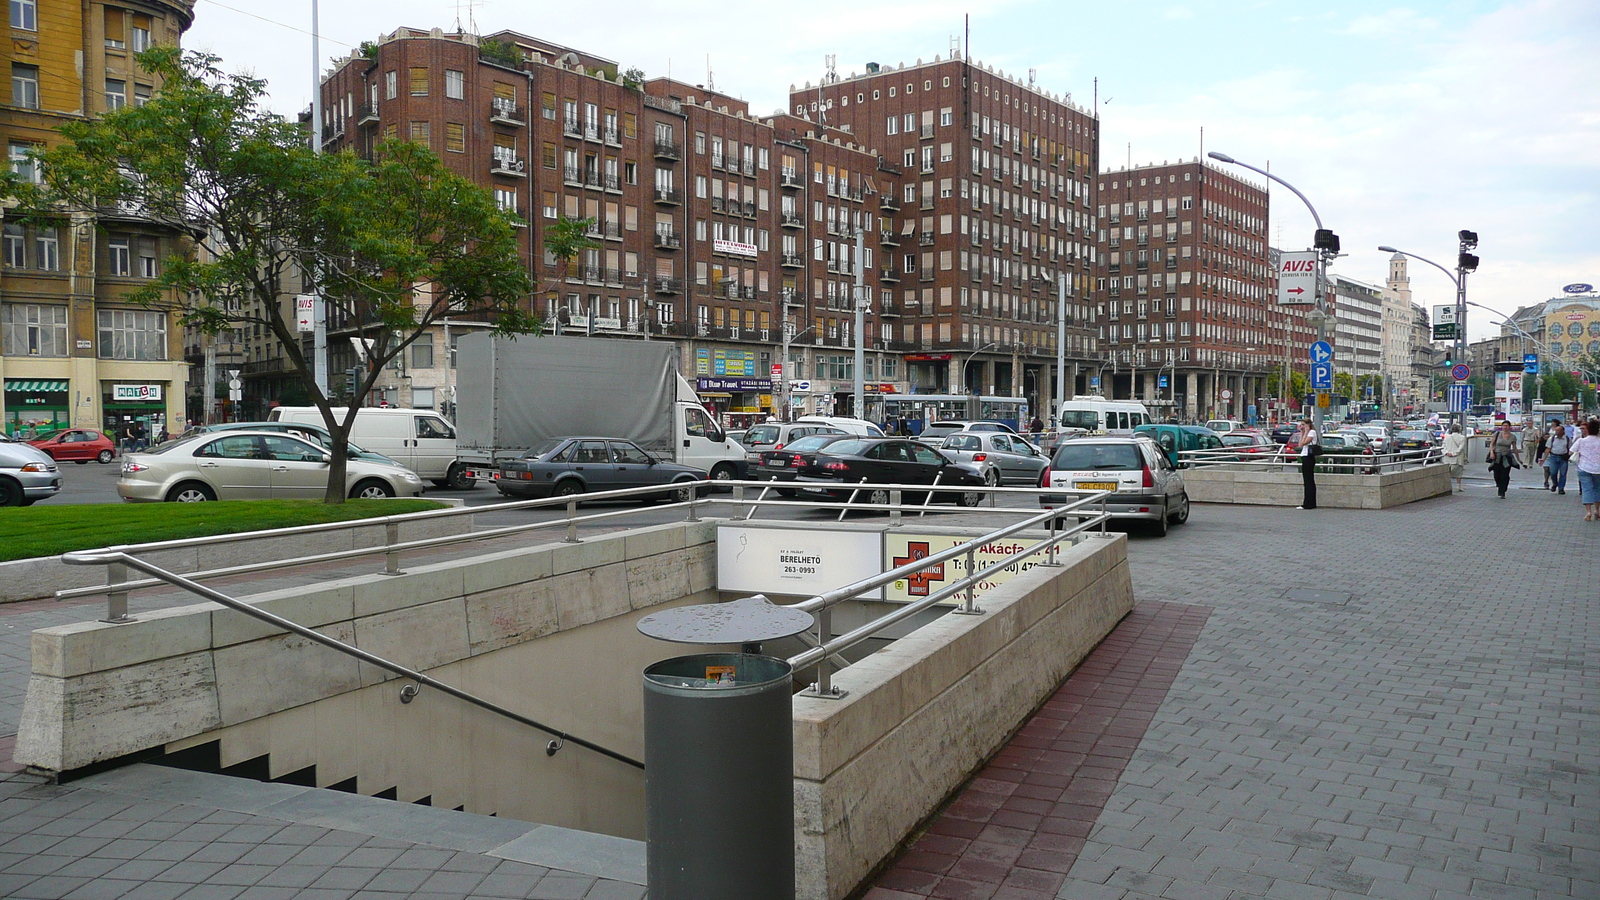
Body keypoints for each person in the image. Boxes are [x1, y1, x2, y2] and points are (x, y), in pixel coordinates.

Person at [1571, 420, 1600, 521]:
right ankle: (1597, 511)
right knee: (1597, 489)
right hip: (1598, 469)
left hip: (1584, 467)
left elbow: (1571, 452)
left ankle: (1588, 512)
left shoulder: (1581, 441)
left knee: (1587, 489)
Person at [1487, 420, 1519, 499]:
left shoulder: (1512, 436)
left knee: (1505, 474)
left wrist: (1518, 459)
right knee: (1497, 474)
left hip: (1507, 457)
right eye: (1504, 425)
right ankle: (1499, 485)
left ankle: (1502, 491)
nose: (1505, 427)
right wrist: (1492, 453)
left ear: (1509, 427)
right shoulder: (1497, 434)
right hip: (1497, 456)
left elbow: (1514, 448)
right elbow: (1491, 444)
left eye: (1507, 426)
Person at [1295, 419, 1318, 510]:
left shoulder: (1312, 432)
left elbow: (1305, 442)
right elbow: (1300, 445)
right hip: (1305, 456)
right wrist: (1302, 432)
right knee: (1307, 481)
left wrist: (1306, 432)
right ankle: (1309, 502)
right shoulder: (1306, 432)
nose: (1302, 426)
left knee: (1309, 481)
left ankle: (1308, 503)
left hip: (1309, 457)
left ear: (1308, 425)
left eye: (1303, 424)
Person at [1546, 419, 1571, 495]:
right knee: (1553, 472)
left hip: (1563, 458)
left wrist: (1569, 456)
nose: (1556, 432)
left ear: (1562, 431)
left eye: (1558, 431)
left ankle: (1561, 488)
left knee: (1563, 474)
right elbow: (1548, 448)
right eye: (1556, 431)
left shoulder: (1567, 439)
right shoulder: (1552, 438)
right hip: (1553, 457)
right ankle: (1555, 483)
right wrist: (1544, 458)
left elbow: (1571, 449)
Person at [1441, 424, 1468, 493]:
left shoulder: (1446, 437)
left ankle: (1446, 486)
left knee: (1447, 473)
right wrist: (1453, 454)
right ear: (1459, 429)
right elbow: (1460, 448)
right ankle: (1459, 487)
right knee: (1459, 474)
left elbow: (1443, 447)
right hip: (1457, 459)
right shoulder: (1462, 437)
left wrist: (1446, 453)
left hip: (1447, 458)